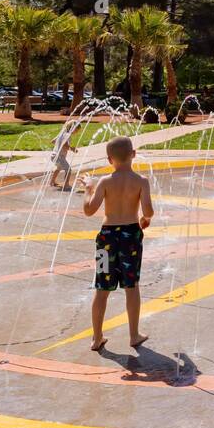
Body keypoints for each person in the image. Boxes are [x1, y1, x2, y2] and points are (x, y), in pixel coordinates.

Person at [79, 136, 153, 353]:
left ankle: (97, 338)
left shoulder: (104, 182)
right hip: (131, 236)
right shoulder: (141, 181)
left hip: (107, 238)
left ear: (109, 159)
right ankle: (133, 335)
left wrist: (88, 189)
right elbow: (148, 212)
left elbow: (89, 210)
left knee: (102, 288)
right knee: (132, 286)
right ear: (134, 154)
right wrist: (144, 220)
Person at [49, 121, 77, 189]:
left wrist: (58, 144)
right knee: (68, 170)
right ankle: (66, 184)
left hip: (54, 155)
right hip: (59, 156)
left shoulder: (61, 134)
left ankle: (52, 182)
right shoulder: (68, 135)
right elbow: (65, 145)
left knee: (59, 168)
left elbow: (52, 141)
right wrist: (72, 149)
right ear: (72, 129)